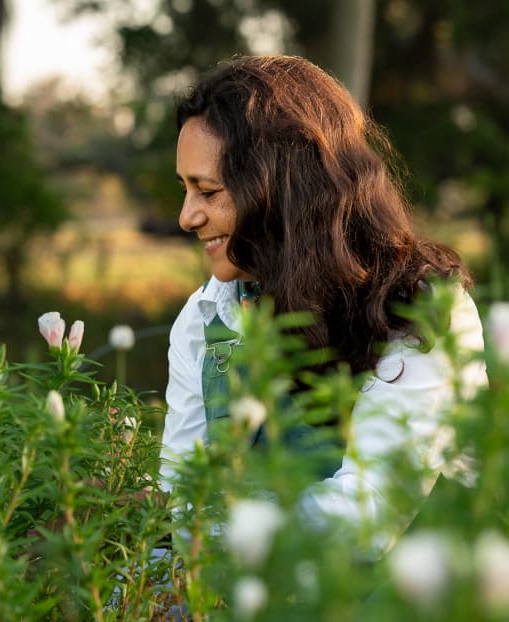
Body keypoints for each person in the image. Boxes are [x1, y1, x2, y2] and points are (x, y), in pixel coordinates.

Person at [160, 54, 487, 541]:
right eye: (186, 190)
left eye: (208, 191)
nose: (187, 217)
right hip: (252, 600)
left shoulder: (418, 308)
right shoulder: (208, 315)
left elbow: (371, 511)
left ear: (283, 184)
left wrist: (219, 528)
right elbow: (179, 496)